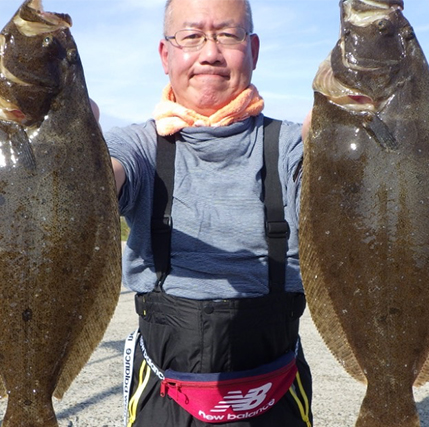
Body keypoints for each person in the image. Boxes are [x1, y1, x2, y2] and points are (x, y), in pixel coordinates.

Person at [102, 0, 313, 425]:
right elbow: (104, 177)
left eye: (228, 35)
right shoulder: (139, 147)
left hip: (276, 386)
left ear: (253, 50)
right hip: (166, 393)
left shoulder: (293, 145)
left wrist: (337, 150)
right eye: (192, 36)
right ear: (166, 55)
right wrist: (70, 158)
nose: (210, 53)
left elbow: (334, 195)